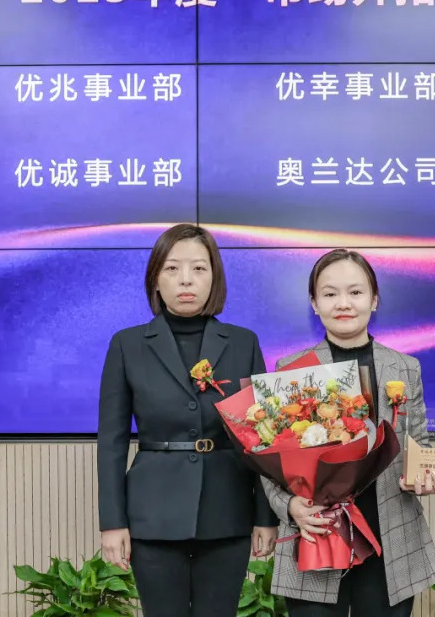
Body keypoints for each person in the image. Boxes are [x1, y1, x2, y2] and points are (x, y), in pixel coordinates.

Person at [97, 224, 279, 616]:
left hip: (227, 511)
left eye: (198, 268)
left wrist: (265, 517)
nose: (186, 279)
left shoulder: (243, 342)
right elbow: (111, 442)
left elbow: (262, 436)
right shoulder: (127, 344)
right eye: (172, 268)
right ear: (155, 278)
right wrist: (112, 523)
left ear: (214, 277)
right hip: (152, 514)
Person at [261, 249, 435, 617]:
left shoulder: (404, 367)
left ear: (374, 300)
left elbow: (419, 443)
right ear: (314, 303)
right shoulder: (291, 369)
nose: (343, 303)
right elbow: (270, 459)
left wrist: (426, 475)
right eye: (330, 294)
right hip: (317, 532)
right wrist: (290, 507)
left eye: (356, 292)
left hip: (390, 538)